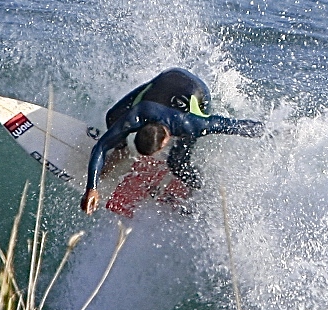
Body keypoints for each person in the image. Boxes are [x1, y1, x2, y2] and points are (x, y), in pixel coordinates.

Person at [80, 68, 265, 213]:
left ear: (164, 142)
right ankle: (121, 151)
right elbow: (101, 147)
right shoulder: (136, 116)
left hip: (197, 90)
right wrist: (92, 188)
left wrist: (266, 132)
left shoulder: (192, 125)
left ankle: (197, 190)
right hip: (167, 78)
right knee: (113, 117)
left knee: (177, 163)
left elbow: (230, 125)